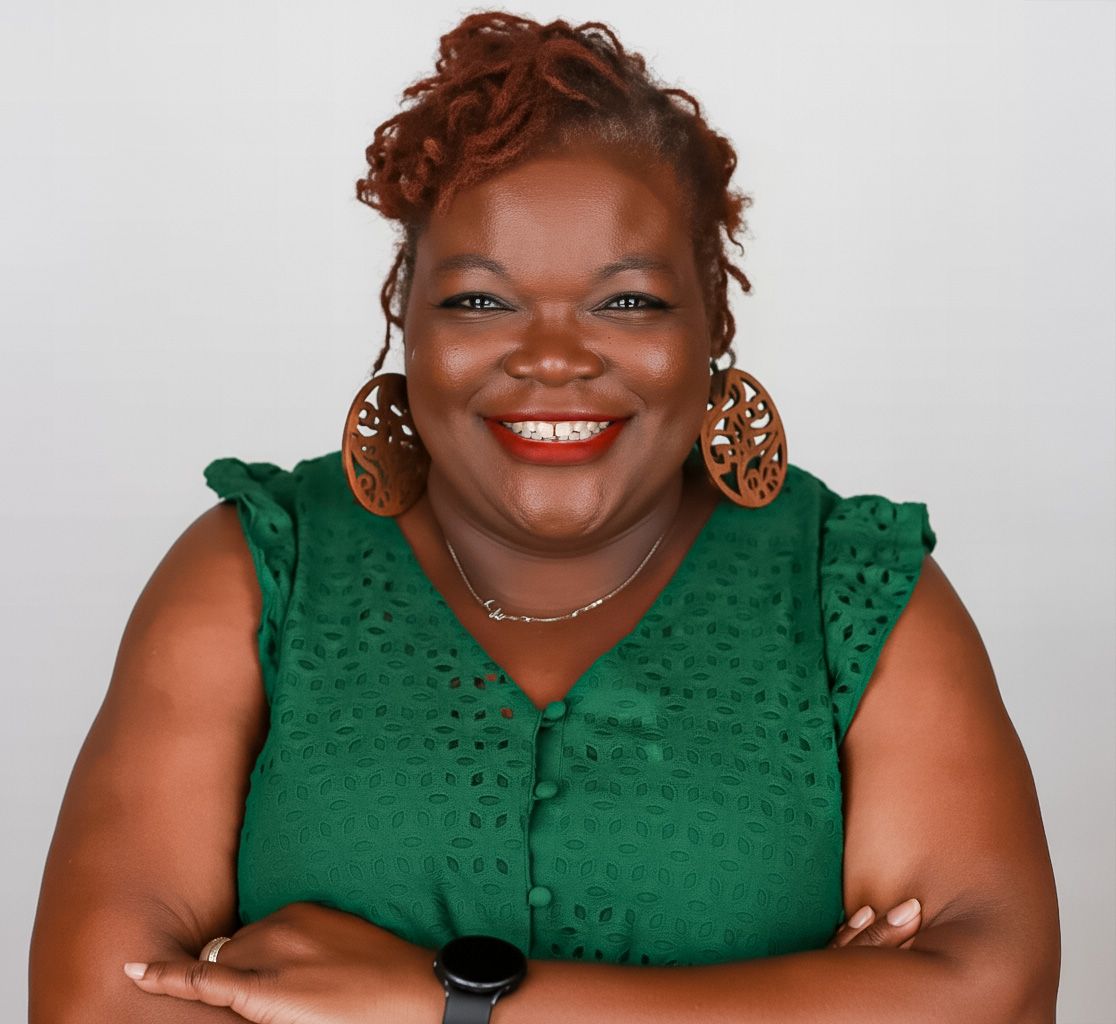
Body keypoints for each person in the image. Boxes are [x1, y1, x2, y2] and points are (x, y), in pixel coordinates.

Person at [29, 11, 1060, 1024]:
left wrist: (436, 1001)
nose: (554, 358)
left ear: (715, 315)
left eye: (628, 302)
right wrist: (806, 999)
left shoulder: (852, 591)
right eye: (481, 302)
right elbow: (96, 1002)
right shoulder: (258, 570)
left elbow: (994, 993)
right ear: (406, 313)